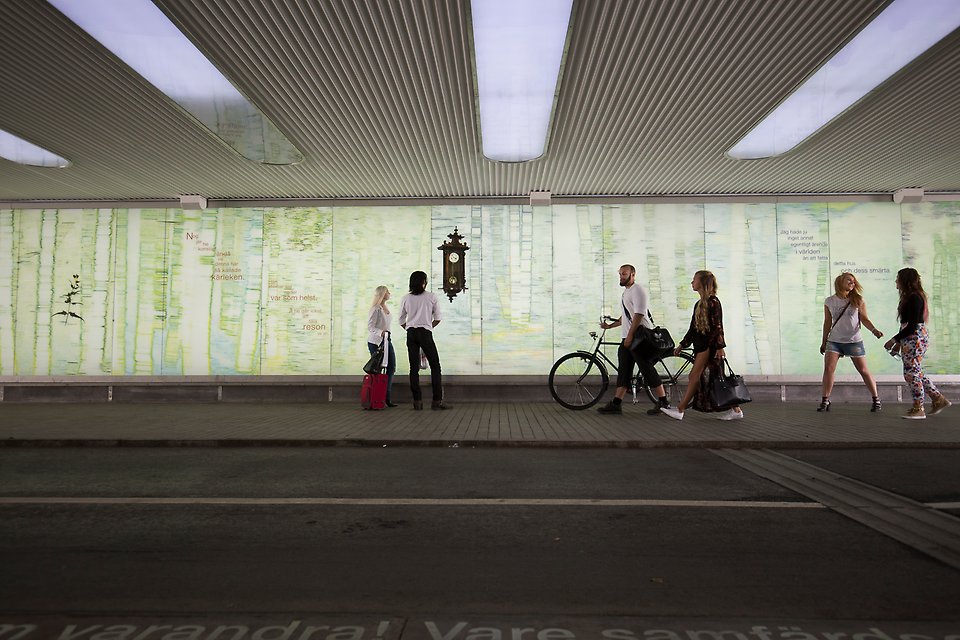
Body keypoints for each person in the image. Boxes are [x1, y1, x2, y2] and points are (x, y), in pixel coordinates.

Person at [661, 270, 742, 421]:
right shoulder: (699, 304)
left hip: (708, 346)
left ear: (703, 283)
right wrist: (682, 345)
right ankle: (736, 410)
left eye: (694, 280)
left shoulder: (713, 302)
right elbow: (693, 328)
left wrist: (719, 346)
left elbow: (718, 326)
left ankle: (680, 409)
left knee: (694, 376)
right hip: (701, 345)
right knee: (717, 378)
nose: (692, 282)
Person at [596, 264, 672, 415]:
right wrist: (610, 326)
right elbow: (626, 316)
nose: (621, 277)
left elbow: (639, 314)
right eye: (620, 274)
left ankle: (663, 402)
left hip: (639, 338)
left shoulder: (638, 290)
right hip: (628, 338)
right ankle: (616, 404)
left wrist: (630, 336)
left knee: (646, 367)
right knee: (624, 370)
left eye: (624, 274)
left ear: (633, 274)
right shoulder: (627, 292)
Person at [883, 268, 951, 420]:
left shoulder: (914, 298)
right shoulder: (911, 297)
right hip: (911, 338)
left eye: (898, 278)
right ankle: (938, 399)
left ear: (905, 280)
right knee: (916, 372)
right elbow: (907, 325)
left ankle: (918, 408)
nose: (896, 281)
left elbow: (912, 325)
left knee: (911, 373)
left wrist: (894, 339)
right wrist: (900, 342)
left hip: (914, 338)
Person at [817, 272, 884, 412]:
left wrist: (874, 331)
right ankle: (825, 400)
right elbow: (827, 322)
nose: (852, 283)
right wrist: (824, 341)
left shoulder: (858, 300)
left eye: (853, 281)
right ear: (840, 282)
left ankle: (876, 399)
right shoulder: (829, 301)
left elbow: (864, 319)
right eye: (849, 280)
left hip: (854, 340)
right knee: (829, 369)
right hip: (834, 340)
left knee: (863, 370)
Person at [399, 270, 449, 410]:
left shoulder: (405, 298)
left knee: (413, 368)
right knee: (435, 366)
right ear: (424, 282)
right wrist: (428, 327)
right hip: (425, 333)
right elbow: (438, 318)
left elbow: (401, 319)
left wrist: (409, 328)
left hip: (411, 334)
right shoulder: (431, 297)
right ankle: (436, 401)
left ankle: (417, 402)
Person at [366, 285, 397, 408]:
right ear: (383, 293)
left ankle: (385, 396)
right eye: (387, 291)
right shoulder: (375, 309)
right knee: (377, 369)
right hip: (376, 342)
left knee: (391, 367)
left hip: (386, 340)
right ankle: (377, 398)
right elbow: (370, 327)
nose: (389, 293)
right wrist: (381, 332)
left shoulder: (385, 307)